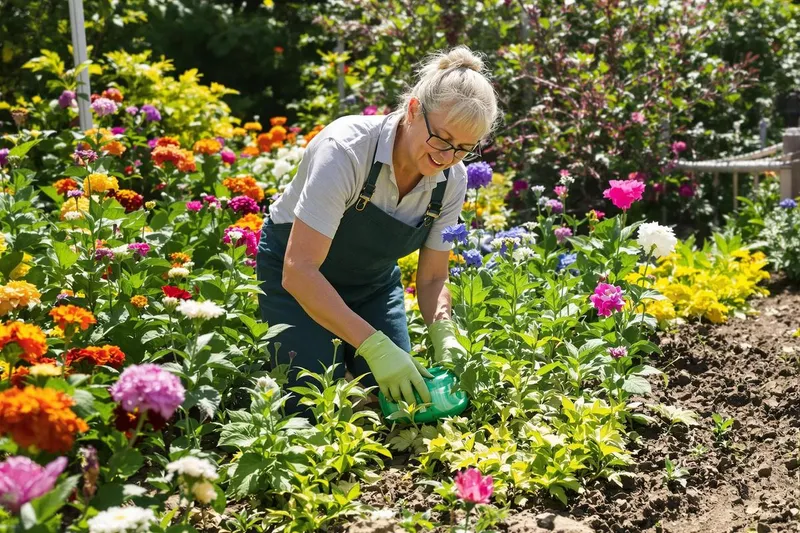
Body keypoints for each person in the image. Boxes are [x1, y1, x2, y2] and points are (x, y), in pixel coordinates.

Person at [256, 45, 499, 414]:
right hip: (296, 283)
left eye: (464, 148)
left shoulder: (451, 179)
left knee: (402, 403)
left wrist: (444, 332)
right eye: (442, 139)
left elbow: (433, 279)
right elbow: (299, 270)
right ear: (414, 110)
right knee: (316, 405)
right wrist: (375, 345)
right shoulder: (347, 150)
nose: (446, 158)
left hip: (371, 286)